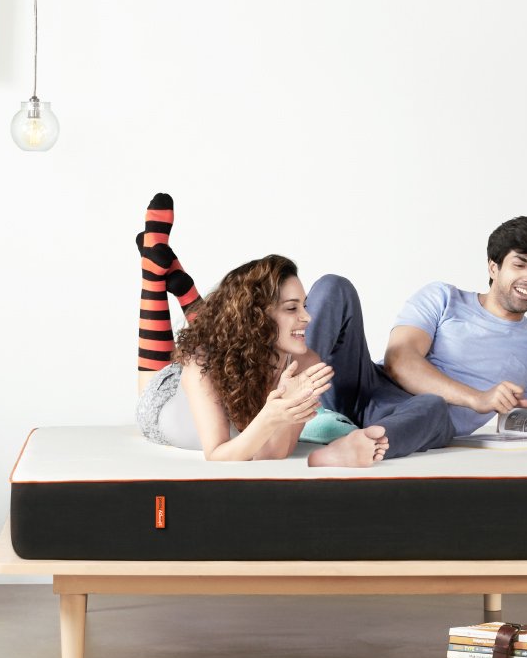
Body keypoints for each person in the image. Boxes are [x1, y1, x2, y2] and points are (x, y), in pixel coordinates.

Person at [134, 194, 388, 466]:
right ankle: (152, 274)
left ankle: (184, 290)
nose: (307, 317)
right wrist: (272, 414)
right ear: (258, 317)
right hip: (163, 403)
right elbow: (218, 455)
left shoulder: (307, 365)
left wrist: (286, 407)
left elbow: (275, 453)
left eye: (303, 306)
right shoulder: (200, 366)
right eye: (292, 308)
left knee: (213, 333)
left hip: (223, 353)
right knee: (193, 347)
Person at [303, 215, 527, 452]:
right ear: (493, 267)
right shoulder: (443, 297)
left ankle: (358, 446)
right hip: (369, 386)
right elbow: (399, 361)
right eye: (520, 265)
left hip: (420, 420)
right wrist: (477, 398)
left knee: (433, 405)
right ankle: (293, 397)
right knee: (334, 286)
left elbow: (516, 420)